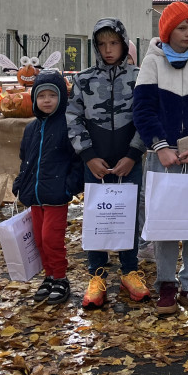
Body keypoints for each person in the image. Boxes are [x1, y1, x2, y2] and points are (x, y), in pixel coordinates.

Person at [133, 2, 188, 315]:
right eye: (182, 28)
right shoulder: (152, 62)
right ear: (168, 31)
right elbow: (143, 110)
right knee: (166, 220)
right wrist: (160, 146)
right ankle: (167, 283)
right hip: (163, 156)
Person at [66, 17, 150, 309]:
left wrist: (134, 154)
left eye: (114, 43)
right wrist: (88, 156)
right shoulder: (83, 79)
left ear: (124, 44)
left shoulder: (140, 77)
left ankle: (129, 270)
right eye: (102, 44)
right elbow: (73, 118)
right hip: (95, 163)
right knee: (97, 215)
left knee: (128, 214)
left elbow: (147, 118)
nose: (108, 50)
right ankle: (97, 274)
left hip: (129, 160)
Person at [13, 69, 83, 305]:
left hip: (56, 195)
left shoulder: (67, 125)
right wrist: (20, 183)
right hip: (34, 196)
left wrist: (69, 187)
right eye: (41, 96)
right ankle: (49, 276)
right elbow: (26, 159)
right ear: (34, 99)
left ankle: (61, 277)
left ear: (61, 98)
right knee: (39, 241)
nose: (46, 101)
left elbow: (77, 160)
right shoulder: (31, 128)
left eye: (52, 96)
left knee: (52, 239)